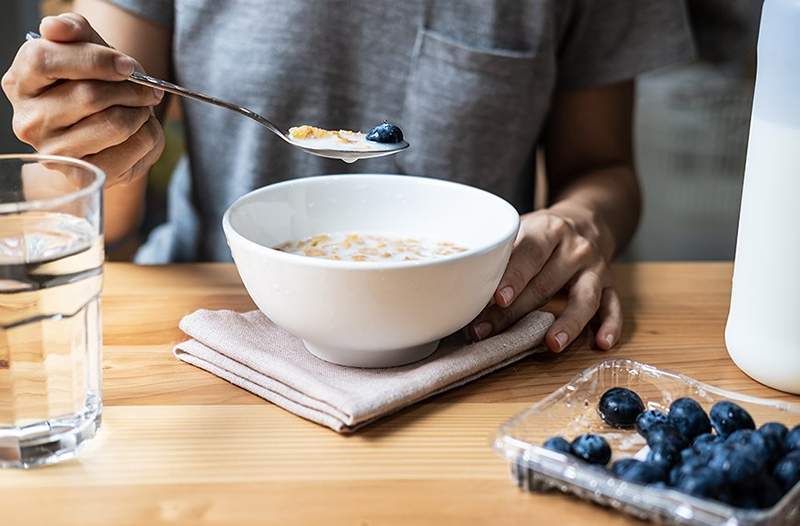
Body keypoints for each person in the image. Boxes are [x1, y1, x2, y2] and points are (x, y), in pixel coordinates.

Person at [1, 1, 693, 354]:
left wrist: (583, 223)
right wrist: (75, 139)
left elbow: (602, 169)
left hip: (481, 336)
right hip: (213, 329)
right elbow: (94, 211)